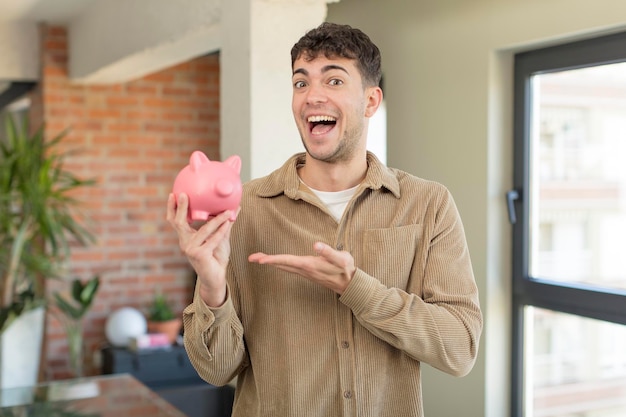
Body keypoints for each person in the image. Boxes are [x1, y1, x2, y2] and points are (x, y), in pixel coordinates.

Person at [167, 22, 482, 417]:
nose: (312, 95)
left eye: (333, 81)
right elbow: (216, 370)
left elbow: (460, 349)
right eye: (301, 83)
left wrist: (356, 288)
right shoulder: (246, 209)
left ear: (371, 101)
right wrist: (212, 288)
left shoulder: (428, 204)